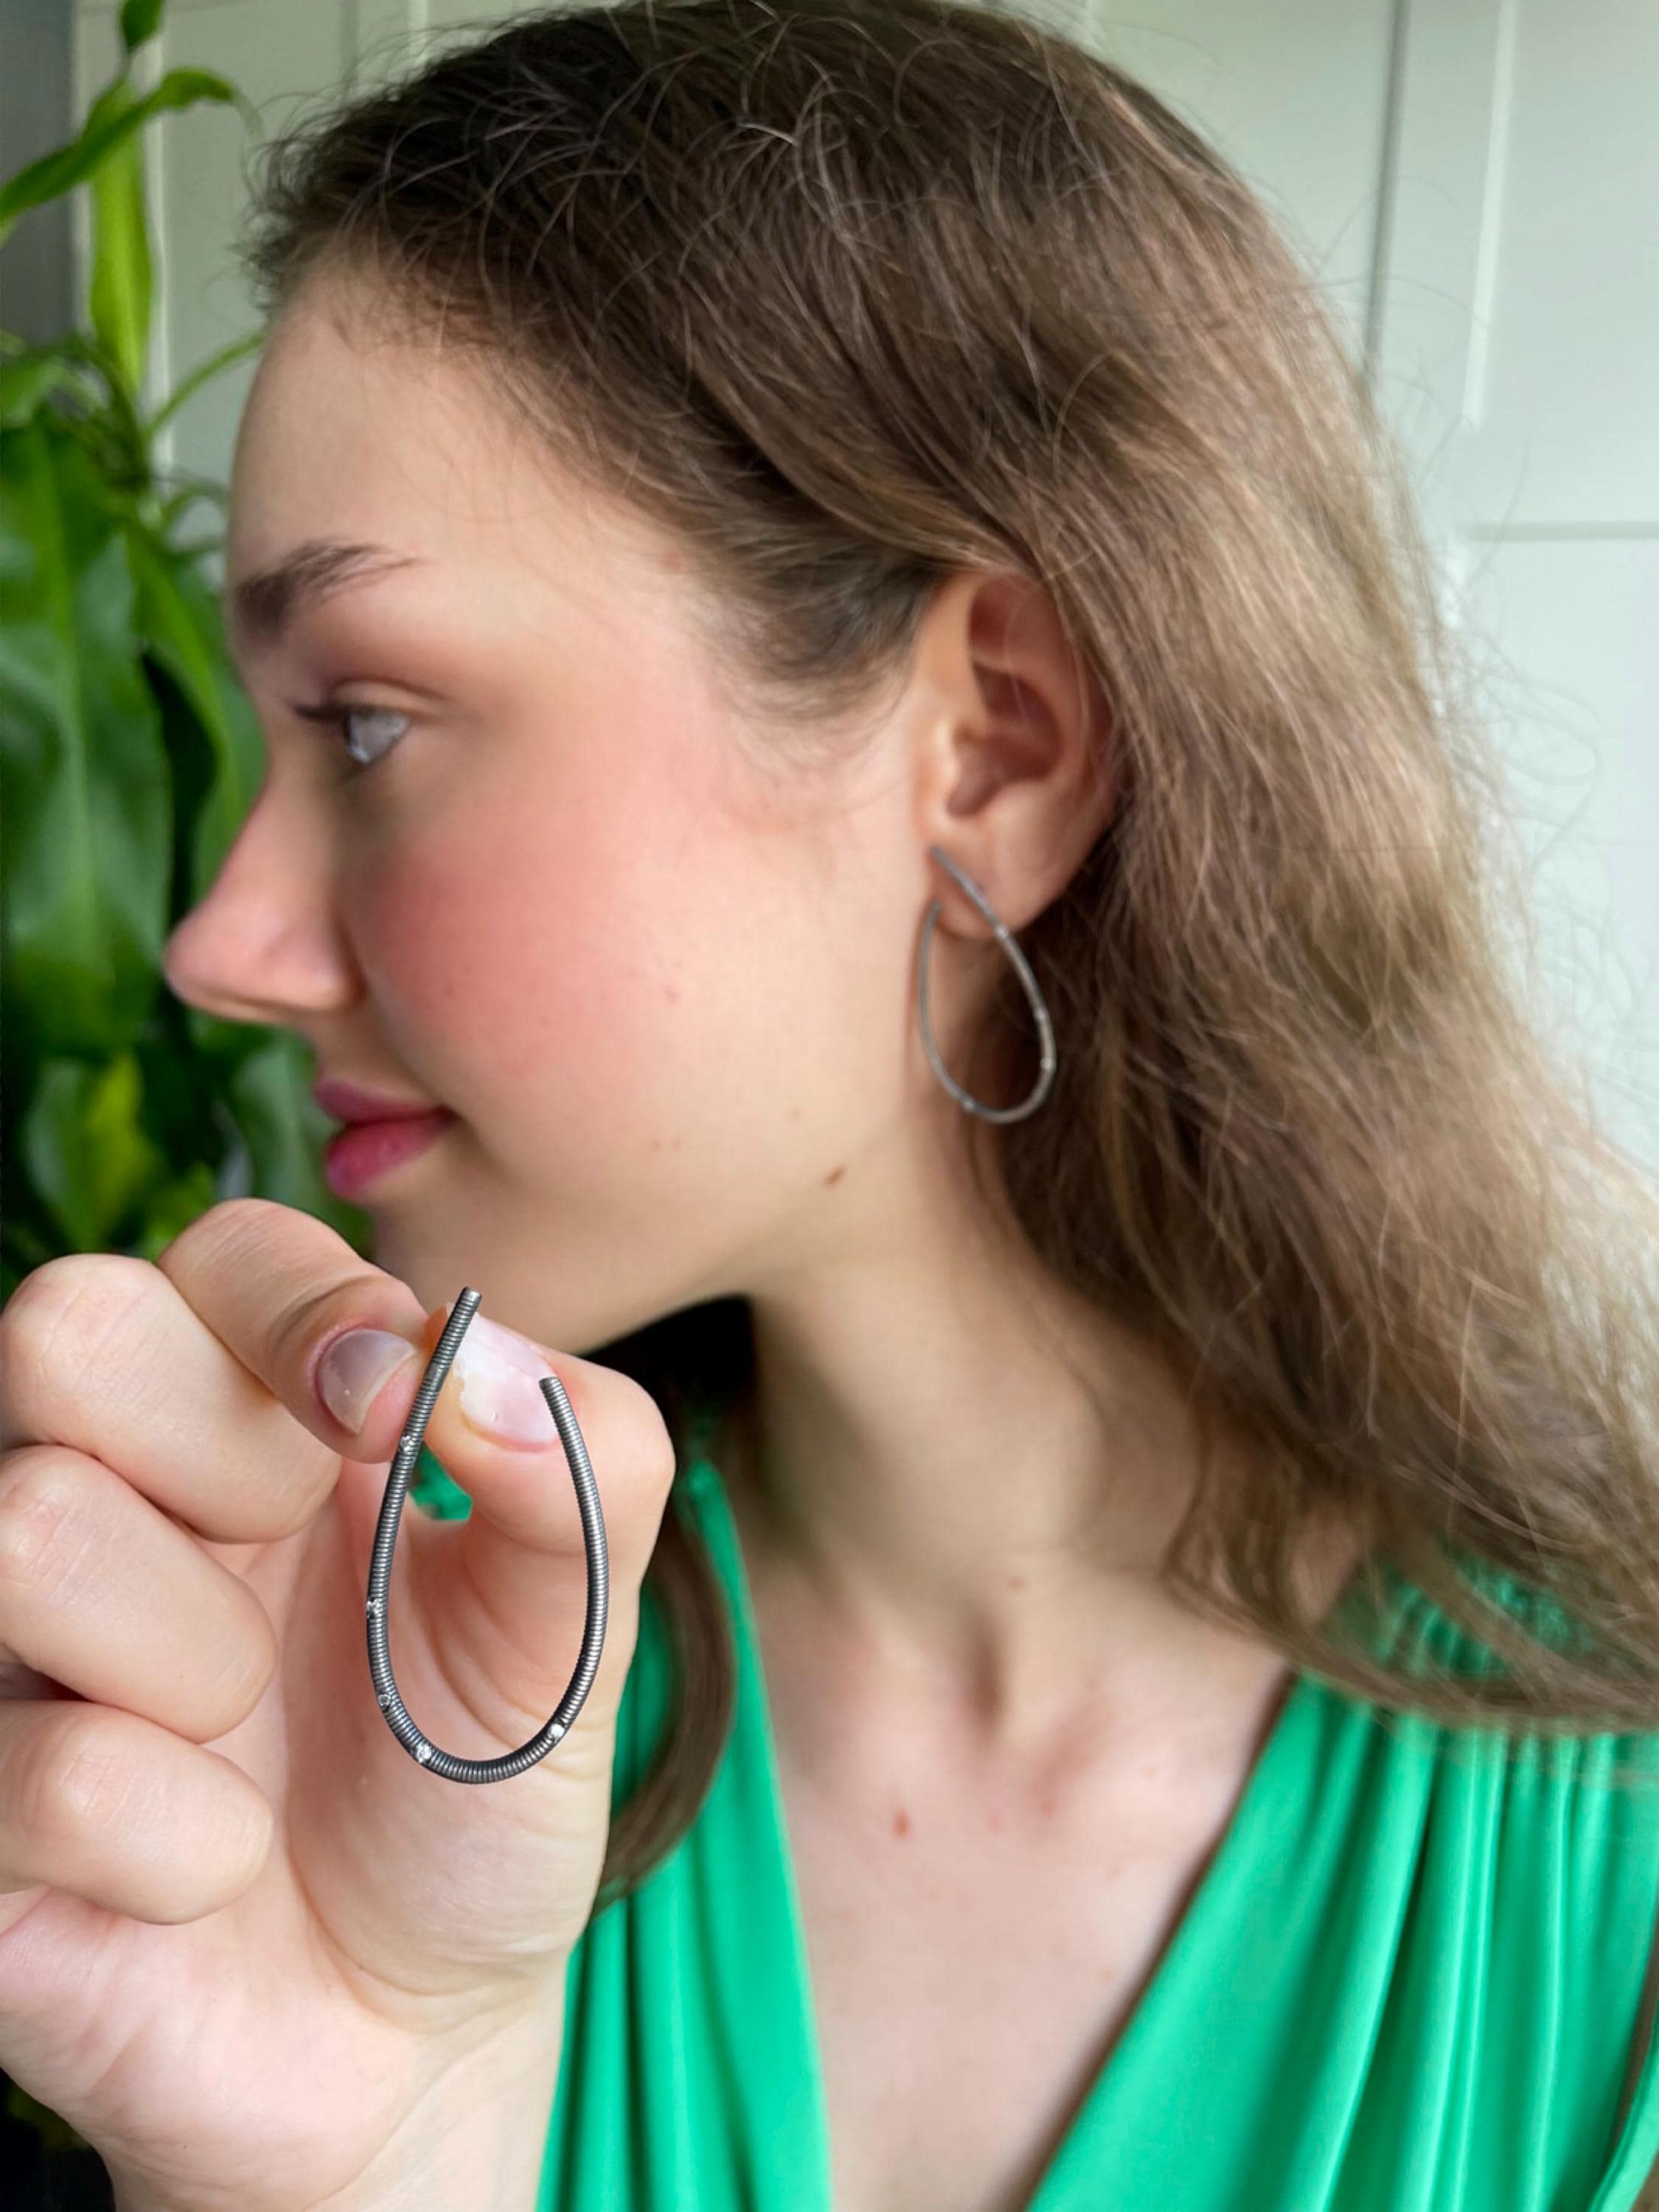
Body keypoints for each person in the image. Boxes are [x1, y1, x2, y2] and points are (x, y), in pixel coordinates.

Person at [1, 1, 1657, 2206]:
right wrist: (324, 2159)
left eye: (375, 726)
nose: (222, 940)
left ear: (988, 743)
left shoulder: (1605, 1876)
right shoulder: (382, 1740)